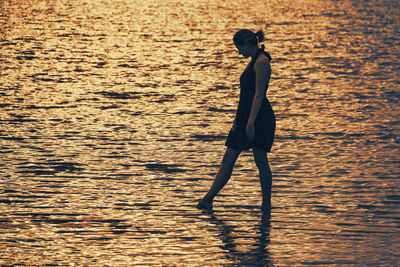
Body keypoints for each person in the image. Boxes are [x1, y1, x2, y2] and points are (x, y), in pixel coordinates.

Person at [196, 29, 276, 212]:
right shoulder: (254, 60)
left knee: (261, 160)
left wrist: (250, 122)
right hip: (244, 117)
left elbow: (258, 95)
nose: (239, 52)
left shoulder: (262, 62)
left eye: (238, 48)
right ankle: (207, 200)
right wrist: (239, 120)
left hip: (258, 118)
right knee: (228, 158)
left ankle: (266, 205)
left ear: (246, 44)